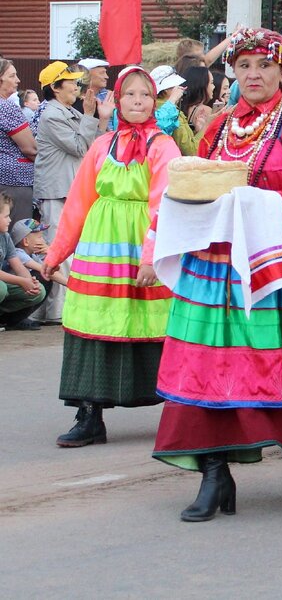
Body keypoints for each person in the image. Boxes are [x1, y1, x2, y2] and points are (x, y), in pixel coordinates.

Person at [151, 28, 282, 521]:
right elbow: (196, 183)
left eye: (263, 66)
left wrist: (249, 202)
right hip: (218, 266)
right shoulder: (219, 128)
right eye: (243, 66)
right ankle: (214, 472)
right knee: (210, 366)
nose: (252, 75)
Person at [43, 67, 181, 446]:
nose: (138, 101)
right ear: (117, 101)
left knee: (155, 325)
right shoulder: (102, 146)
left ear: (155, 101)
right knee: (93, 320)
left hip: (140, 248)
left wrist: (153, 257)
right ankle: (89, 415)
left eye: (145, 95)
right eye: (130, 95)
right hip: (99, 250)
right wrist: (57, 253)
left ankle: (180, 414)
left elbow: (165, 204)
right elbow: (78, 201)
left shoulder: (162, 146)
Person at [35, 62, 114, 326]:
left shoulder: (67, 111)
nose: (76, 85)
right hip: (57, 191)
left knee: (68, 250)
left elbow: (94, 145)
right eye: (70, 81)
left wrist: (100, 118)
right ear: (56, 88)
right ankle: (55, 311)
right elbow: (81, 146)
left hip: (69, 191)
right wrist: (91, 116)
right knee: (58, 250)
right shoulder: (52, 115)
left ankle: (59, 308)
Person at [0, 195, 47, 331]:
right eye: (6, 216)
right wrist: (21, 281)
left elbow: (17, 265)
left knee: (39, 291)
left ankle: (4, 318)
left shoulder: (5, 236)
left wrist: (29, 281)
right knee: (1, 288)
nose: (9, 219)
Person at [0, 58, 37, 222]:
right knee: (16, 235)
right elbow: (30, 149)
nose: (18, 80)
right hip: (14, 182)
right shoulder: (6, 107)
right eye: (12, 76)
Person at [148, 66, 197, 156]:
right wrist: (207, 126)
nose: (181, 89)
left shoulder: (152, 108)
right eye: (176, 85)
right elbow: (190, 150)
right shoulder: (172, 114)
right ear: (166, 90)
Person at [179, 66, 216, 135]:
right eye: (211, 83)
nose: (213, 87)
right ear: (202, 84)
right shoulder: (205, 110)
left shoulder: (180, 107)